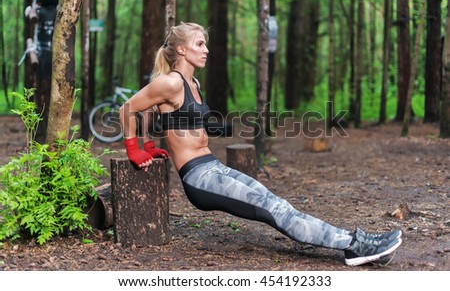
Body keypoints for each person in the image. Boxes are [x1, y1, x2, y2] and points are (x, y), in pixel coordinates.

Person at [119, 22, 402, 266]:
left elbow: (149, 110)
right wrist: (134, 148)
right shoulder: (171, 83)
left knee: (278, 204)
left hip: (213, 167)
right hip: (199, 178)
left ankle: (353, 240)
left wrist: (150, 142)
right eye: (200, 44)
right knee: (276, 211)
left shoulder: (194, 84)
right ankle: (354, 245)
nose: (207, 50)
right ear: (181, 49)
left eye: (206, 44)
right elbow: (128, 108)